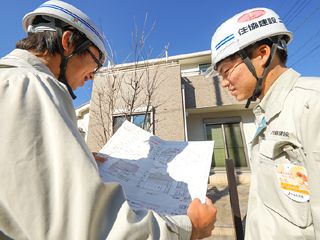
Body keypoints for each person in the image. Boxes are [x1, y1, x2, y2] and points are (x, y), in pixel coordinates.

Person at [0, 1, 217, 239]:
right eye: (96, 61)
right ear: (67, 42)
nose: (93, 75)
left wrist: (76, 158)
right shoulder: (33, 87)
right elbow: (88, 227)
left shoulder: (11, 82)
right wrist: (189, 228)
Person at [209, 7, 320, 240]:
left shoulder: (312, 103)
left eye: (227, 71)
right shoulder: (263, 116)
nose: (225, 83)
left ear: (262, 54)